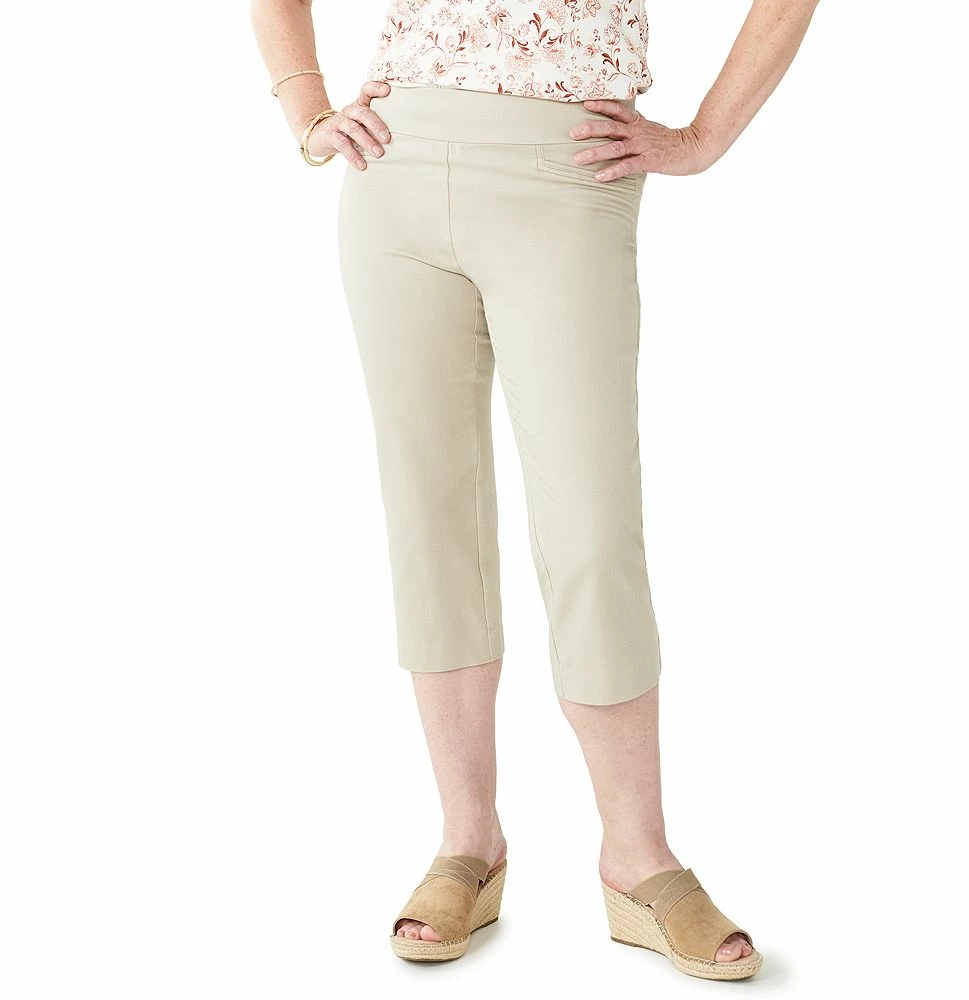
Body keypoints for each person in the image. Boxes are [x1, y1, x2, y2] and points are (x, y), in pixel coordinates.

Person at [252, 0, 820, 980]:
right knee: (429, 518)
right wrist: (306, 107)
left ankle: (640, 859)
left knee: (591, 527)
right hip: (393, 169)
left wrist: (704, 137)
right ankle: (466, 843)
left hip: (569, 171)